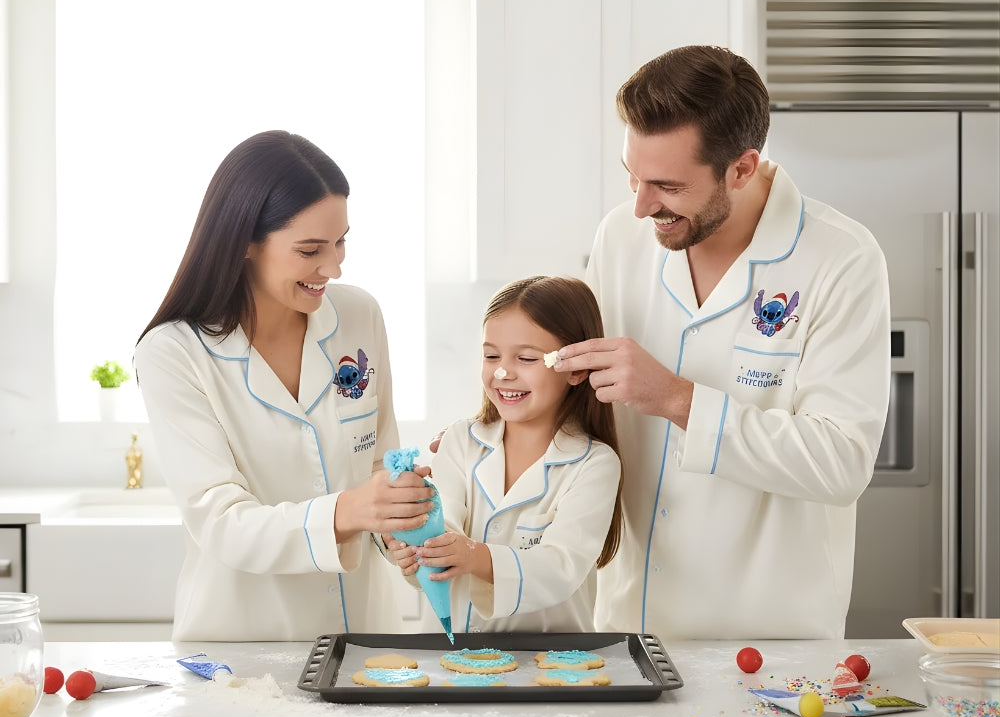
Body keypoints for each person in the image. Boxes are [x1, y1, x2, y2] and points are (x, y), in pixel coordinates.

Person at [553, 45, 891, 640]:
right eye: (631, 175)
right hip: (631, 627)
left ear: (742, 167)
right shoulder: (622, 236)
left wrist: (678, 399)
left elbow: (841, 464)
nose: (640, 205)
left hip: (772, 639)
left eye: (665, 185)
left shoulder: (841, 258)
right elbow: (584, 402)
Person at [134, 130, 434, 641]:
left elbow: (380, 460)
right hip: (241, 646)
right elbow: (221, 522)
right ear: (245, 242)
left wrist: (399, 527)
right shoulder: (174, 352)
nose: (334, 266)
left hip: (363, 642)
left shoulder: (359, 315)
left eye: (341, 242)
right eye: (310, 249)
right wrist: (350, 510)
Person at [389, 276, 624, 633]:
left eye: (526, 358)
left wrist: (475, 556)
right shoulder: (459, 441)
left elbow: (561, 568)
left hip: (552, 670)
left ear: (575, 369)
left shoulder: (594, 464)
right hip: (448, 669)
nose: (502, 372)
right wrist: (416, 545)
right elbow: (446, 521)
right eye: (491, 355)